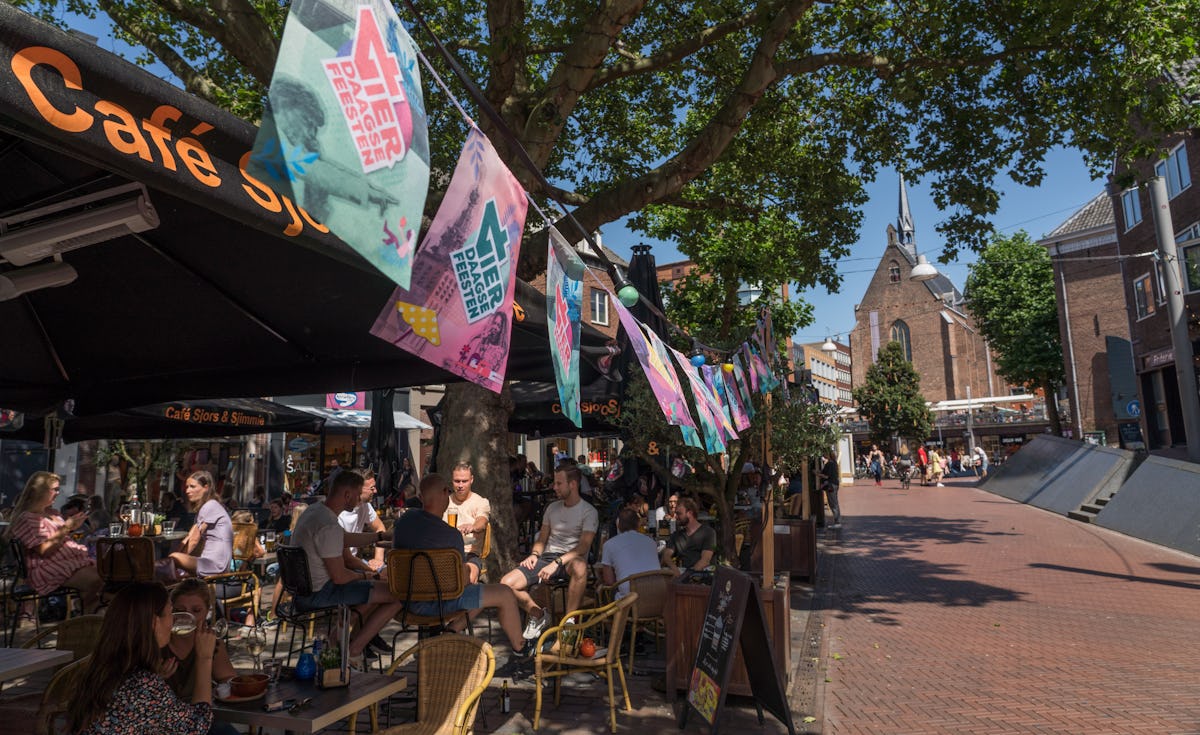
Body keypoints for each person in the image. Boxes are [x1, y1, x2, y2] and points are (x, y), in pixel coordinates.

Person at [392, 473, 539, 674]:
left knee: (477, 589)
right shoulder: (450, 535)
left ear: (420, 495)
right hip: (440, 603)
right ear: (445, 493)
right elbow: (459, 582)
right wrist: (470, 569)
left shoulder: (404, 522)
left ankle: (450, 632)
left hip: (406, 601)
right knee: (504, 592)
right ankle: (521, 649)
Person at [68, 581, 216, 735]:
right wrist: (205, 658)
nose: (174, 621)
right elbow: (198, 726)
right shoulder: (142, 683)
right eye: (171, 612)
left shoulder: (103, 668)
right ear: (154, 623)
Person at [289, 471, 402, 665]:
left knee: (376, 591)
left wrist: (380, 537)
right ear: (348, 495)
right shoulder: (328, 525)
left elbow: (345, 538)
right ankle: (354, 649)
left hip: (302, 590)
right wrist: (371, 576)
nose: (360, 499)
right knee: (397, 593)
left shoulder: (315, 511)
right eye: (358, 494)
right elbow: (340, 577)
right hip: (319, 594)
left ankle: (338, 641)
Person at [500, 463, 598, 631]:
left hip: (570, 560)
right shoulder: (552, 508)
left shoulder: (588, 511)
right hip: (546, 558)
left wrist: (557, 562)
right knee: (505, 585)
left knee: (581, 567)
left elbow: (583, 546)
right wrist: (534, 554)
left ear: (572, 485)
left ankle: (569, 624)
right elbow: (542, 539)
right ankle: (538, 614)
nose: (554, 487)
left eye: (559, 483)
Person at [7, 472, 103, 611]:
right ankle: (86, 619)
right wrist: (67, 527)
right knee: (98, 580)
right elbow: (44, 550)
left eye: (59, 489)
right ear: (39, 491)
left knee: (111, 576)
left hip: (70, 562)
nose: (58, 493)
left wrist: (72, 528)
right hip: (48, 567)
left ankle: (90, 619)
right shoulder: (28, 518)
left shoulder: (54, 514)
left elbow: (60, 537)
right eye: (55, 489)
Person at [163, 578, 237, 735]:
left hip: (200, 717)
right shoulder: (159, 642)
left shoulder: (212, 643)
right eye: (179, 610)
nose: (187, 617)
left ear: (207, 611)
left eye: (196, 611)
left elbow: (231, 682)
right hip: (165, 722)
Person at [169, 471, 233, 577]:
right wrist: (174, 558)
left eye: (192, 487)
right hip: (208, 562)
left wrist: (176, 560)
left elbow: (194, 539)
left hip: (215, 565)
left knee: (173, 559)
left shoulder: (210, 506)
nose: (187, 491)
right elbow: (189, 537)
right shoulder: (205, 507)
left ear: (206, 487)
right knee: (172, 560)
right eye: (187, 487)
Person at [597, 508, 661, 599]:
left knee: (604, 591)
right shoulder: (651, 542)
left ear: (618, 525)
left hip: (629, 599)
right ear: (638, 524)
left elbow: (609, 581)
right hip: (656, 594)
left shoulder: (609, 545)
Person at [444, 462, 491, 583]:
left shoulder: (481, 502)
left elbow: (482, 522)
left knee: (469, 578)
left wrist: (473, 526)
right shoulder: (444, 501)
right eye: (457, 481)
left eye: (464, 481)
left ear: (471, 480)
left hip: (469, 553)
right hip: (444, 552)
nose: (460, 485)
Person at [337, 469, 386, 571]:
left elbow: (380, 527)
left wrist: (378, 559)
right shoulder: (339, 514)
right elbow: (348, 560)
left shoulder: (365, 505)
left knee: (391, 573)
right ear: (358, 489)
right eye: (372, 488)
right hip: (343, 566)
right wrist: (372, 571)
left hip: (354, 561)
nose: (375, 491)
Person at [659, 497, 717, 573]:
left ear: (689, 513)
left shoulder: (708, 532)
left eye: (679, 513)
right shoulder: (677, 535)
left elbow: (705, 561)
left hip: (702, 575)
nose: (676, 517)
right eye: (676, 513)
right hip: (683, 574)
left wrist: (687, 577)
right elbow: (666, 555)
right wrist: (674, 569)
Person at [819, 450, 842, 528]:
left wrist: (817, 474)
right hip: (834, 484)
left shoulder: (830, 464)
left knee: (833, 503)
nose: (824, 456)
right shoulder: (834, 463)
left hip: (831, 485)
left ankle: (837, 522)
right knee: (834, 502)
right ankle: (837, 521)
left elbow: (826, 476)